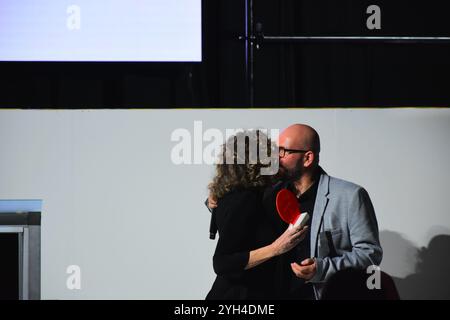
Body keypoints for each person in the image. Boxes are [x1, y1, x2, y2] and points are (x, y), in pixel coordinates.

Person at [208, 124, 383, 300]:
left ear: (307, 158)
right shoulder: (268, 191)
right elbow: (240, 218)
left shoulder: (350, 195)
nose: (275, 157)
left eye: (283, 151)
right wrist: (215, 200)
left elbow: (369, 254)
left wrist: (321, 268)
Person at [205, 130, 309, 300]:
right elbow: (222, 262)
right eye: (270, 153)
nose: (277, 158)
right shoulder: (244, 198)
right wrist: (276, 248)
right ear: (257, 161)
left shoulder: (233, 194)